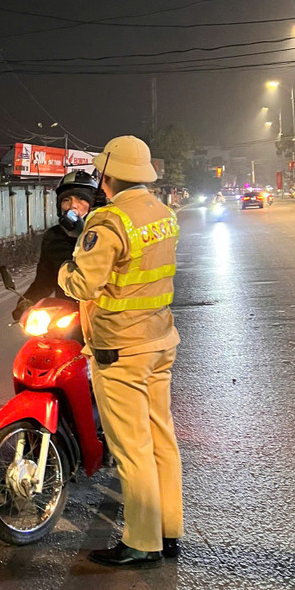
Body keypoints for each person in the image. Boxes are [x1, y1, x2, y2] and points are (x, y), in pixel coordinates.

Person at [58, 136, 183, 567]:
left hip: (121, 349)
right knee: (161, 438)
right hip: (160, 341)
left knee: (132, 449)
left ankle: (142, 542)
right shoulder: (163, 214)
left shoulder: (108, 222)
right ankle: (168, 530)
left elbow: (84, 284)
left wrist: (65, 268)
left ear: (107, 176)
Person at [12, 170, 102, 320]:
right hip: (67, 316)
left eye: (81, 199)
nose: (73, 206)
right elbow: (45, 280)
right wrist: (27, 302)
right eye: (66, 200)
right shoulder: (53, 237)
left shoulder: (104, 233)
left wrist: (83, 236)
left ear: (92, 205)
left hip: (101, 317)